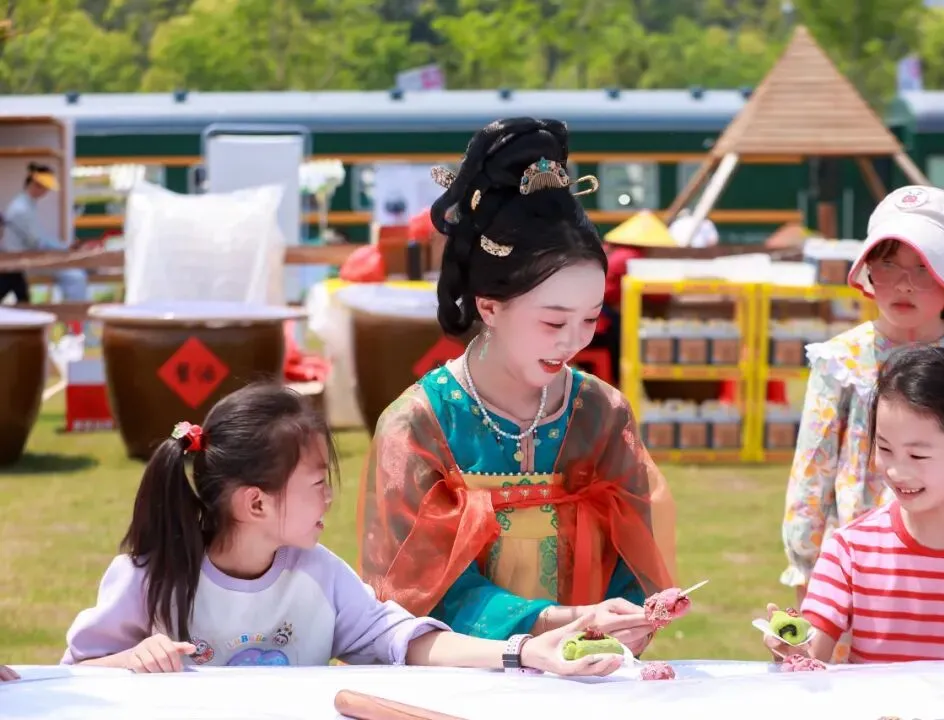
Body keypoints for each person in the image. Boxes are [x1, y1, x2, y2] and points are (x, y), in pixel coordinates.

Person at [360, 118, 676, 657]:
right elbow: (417, 589)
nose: (573, 341)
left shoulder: (601, 413)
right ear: (489, 306)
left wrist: (629, 620)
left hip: (585, 674)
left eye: (591, 319)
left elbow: (633, 557)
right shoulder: (420, 425)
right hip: (460, 673)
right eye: (553, 322)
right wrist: (555, 621)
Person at [61, 383, 620, 677]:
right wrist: (130, 660)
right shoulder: (148, 578)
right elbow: (71, 676)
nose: (329, 496)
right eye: (316, 483)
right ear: (255, 503)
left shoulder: (320, 575)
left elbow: (404, 642)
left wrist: (524, 651)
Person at [780, 185, 944, 662]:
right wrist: (807, 567)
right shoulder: (841, 360)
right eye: (888, 265)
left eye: (924, 268)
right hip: (865, 573)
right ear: (867, 270)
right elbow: (813, 470)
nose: (904, 284)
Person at [765, 345, 944, 667]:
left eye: (918, 455)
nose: (895, 471)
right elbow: (809, 656)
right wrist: (790, 650)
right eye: (885, 449)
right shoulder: (848, 551)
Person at [1, 163, 89, 305]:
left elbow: (38, 240)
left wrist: (64, 248)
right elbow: (37, 242)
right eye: (44, 187)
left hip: (23, 258)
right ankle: (76, 315)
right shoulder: (22, 209)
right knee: (75, 277)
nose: (46, 192)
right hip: (23, 259)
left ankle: (71, 313)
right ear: (35, 185)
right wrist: (64, 249)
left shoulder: (25, 205)